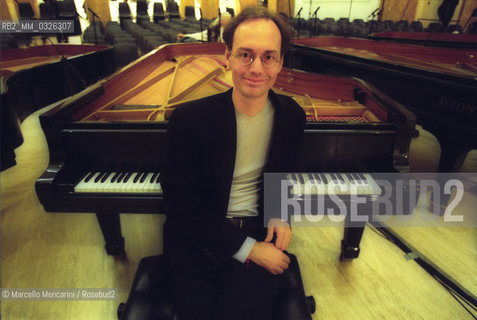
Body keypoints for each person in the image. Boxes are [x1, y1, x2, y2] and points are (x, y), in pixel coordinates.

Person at [161, 5, 306, 320]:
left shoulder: (292, 115)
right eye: (245, 54)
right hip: (197, 243)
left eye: (269, 56)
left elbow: (284, 175)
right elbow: (181, 209)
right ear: (227, 55)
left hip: (257, 232)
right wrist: (250, 250)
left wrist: (281, 215)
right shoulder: (189, 120)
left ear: (280, 62)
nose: (256, 68)